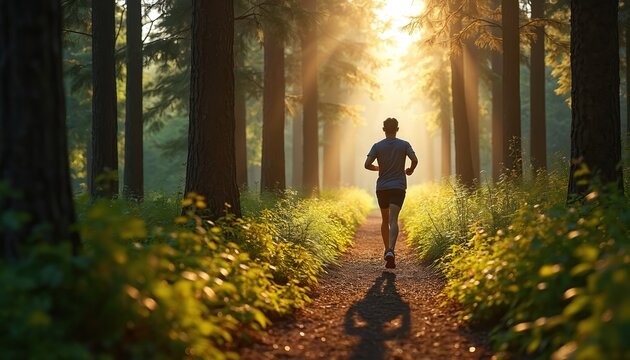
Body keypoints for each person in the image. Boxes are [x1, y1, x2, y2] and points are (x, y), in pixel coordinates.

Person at [364, 118, 418, 269]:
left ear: (383, 129)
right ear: (397, 129)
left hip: (382, 187)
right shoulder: (405, 144)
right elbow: (415, 159)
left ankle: (386, 249)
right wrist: (410, 170)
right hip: (398, 187)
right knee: (393, 220)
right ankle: (391, 251)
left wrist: (378, 169)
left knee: (384, 219)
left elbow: (367, 164)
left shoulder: (377, 146)